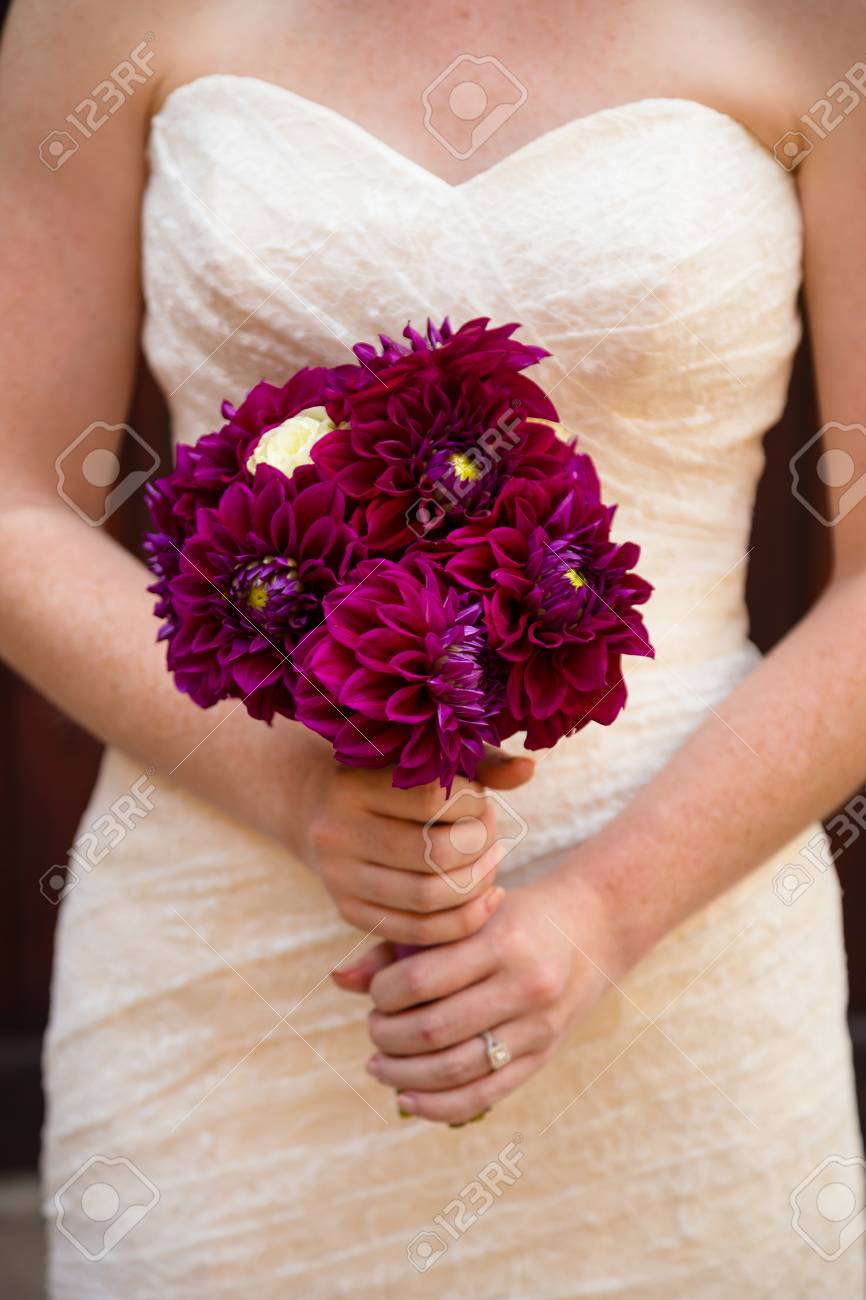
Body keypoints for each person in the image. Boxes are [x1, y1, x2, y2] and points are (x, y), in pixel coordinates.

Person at [1, 0, 864, 1294]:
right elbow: (13, 501)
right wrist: (295, 794)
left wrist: (602, 916)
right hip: (223, 973)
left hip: (683, 957)